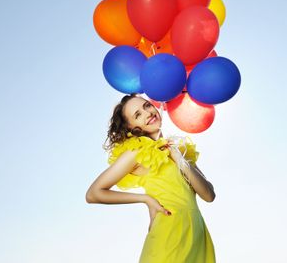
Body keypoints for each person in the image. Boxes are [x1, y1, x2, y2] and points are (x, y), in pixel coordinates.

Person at [86, 93, 216, 262]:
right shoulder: (136, 153)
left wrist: (177, 156)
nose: (147, 113)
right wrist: (145, 199)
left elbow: (209, 195)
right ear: (132, 127)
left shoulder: (180, 149)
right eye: (137, 115)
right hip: (168, 235)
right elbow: (93, 194)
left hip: (197, 234)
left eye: (146, 106)